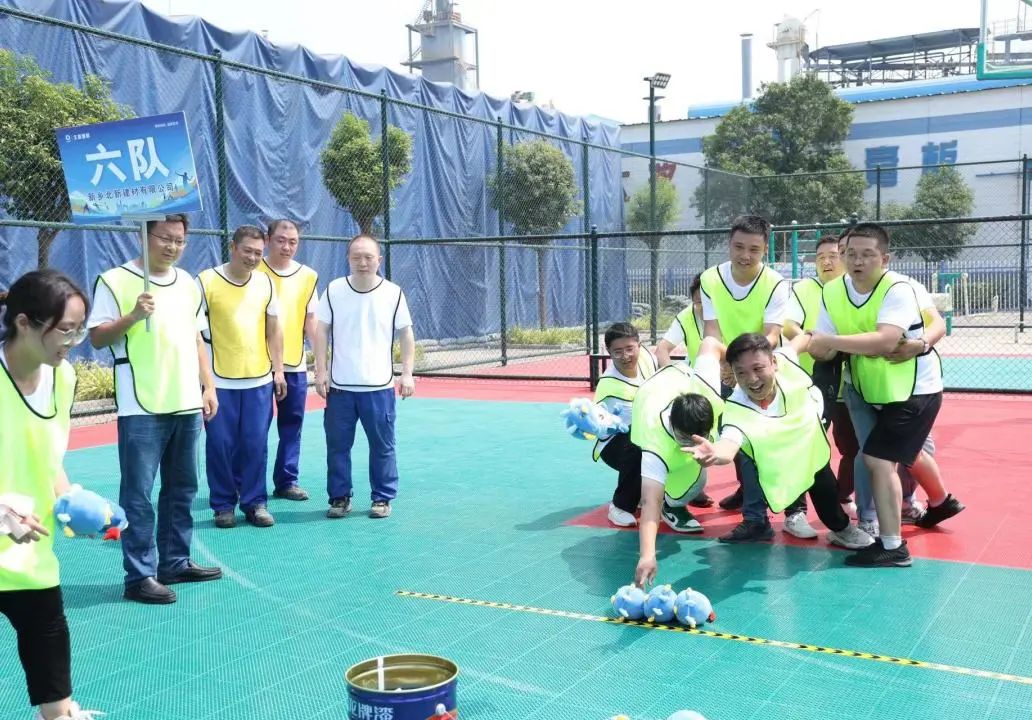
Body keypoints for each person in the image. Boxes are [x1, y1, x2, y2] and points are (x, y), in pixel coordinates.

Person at [89, 214, 222, 604]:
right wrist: (133, 316)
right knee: (138, 493)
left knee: (182, 487)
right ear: (143, 235)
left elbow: (196, 338)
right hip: (141, 404)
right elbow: (97, 338)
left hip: (185, 401)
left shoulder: (188, 283)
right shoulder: (114, 281)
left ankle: (175, 562)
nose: (173, 247)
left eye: (180, 240)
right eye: (166, 238)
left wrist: (208, 385)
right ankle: (139, 575)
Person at [809, 223, 951, 567]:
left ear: (884, 259)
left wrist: (831, 342)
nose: (857, 261)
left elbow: (887, 340)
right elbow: (820, 347)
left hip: (915, 391)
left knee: (880, 459)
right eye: (850, 254)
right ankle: (906, 528)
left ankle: (894, 540)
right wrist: (818, 345)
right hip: (869, 390)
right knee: (879, 459)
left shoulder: (899, 289)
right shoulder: (833, 292)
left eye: (867, 254)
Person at [1, 271, 100, 720]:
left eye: (79, 330)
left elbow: (47, 454)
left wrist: (70, 499)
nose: (74, 343)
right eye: (65, 330)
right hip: (9, 528)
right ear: (24, 323)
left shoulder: (64, 379)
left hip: (30, 551)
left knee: (49, 651)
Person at [685, 333, 873, 553]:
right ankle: (783, 516)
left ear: (773, 362)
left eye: (757, 369)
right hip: (778, 455)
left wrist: (821, 340)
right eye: (741, 373)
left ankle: (841, 529)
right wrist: (715, 454)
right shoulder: (736, 410)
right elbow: (729, 443)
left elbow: (802, 340)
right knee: (770, 477)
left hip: (808, 439)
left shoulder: (785, 362)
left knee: (825, 489)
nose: (752, 379)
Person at [698, 215, 811, 536]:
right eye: (738, 247)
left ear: (765, 249)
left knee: (782, 441)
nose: (745, 255)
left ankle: (795, 511)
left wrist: (748, 368)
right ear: (728, 244)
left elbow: (772, 334)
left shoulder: (775, 282)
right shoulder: (710, 279)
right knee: (740, 441)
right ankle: (755, 517)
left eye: (754, 249)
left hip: (765, 369)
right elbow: (711, 330)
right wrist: (728, 367)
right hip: (729, 367)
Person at [314, 234, 415, 519]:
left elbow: (406, 333)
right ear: (348, 258)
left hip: (379, 387)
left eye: (368, 257)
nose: (362, 262)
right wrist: (320, 370)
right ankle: (339, 498)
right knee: (337, 446)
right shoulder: (334, 290)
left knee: (382, 446)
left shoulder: (393, 293)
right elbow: (321, 331)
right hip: (340, 388)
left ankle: (382, 498)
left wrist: (407, 373)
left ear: (378, 260)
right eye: (356, 257)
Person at [198, 225, 286, 529]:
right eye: (247, 250)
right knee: (220, 444)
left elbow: (274, 330)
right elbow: (194, 335)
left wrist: (278, 370)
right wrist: (205, 382)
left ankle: (255, 503)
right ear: (233, 247)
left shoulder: (265, 282)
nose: (252, 257)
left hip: (258, 380)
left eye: (258, 253)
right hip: (219, 381)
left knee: (255, 443)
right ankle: (223, 505)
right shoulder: (206, 281)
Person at [633, 337, 726, 587]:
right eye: (685, 438)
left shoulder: (708, 391)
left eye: (700, 437)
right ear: (672, 425)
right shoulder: (653, 440)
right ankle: (671, 504)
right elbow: (650, 502)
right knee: (658, 487)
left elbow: (710, 343)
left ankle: (675, 497)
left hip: (679, 375)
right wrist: (647, 555)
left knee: (697, 479)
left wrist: (735, 369)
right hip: (648, 394)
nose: (692, 443)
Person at [783, 232, 858, 516]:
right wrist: (813, 341)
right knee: (804, 445)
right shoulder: (804, 288)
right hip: (810, 384)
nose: (826, 262)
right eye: (820, 257)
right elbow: (788, 325)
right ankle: (796, 510)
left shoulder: (855, 288)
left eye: (833, 256)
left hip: (851, 384)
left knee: (852, 448)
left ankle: (842, 496)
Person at [258, 219, 319, 502]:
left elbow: (311, 320)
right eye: (281, 240)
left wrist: (321, 362)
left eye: (292, 242)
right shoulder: (253, 270)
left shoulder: (308, 276)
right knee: (254, 430)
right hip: (256, 367)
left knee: (292, 425)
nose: (286, 246)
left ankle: (286, 480)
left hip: (294, 365)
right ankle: (247, 484)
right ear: (268, 240)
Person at [653, 274, 715, 508]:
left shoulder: (729, 313)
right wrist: (673, 377)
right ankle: (690, 487)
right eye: (698, 301)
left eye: (707, 302)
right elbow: (662, 349)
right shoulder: (686, 316)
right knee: (690, 435)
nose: (702, 307)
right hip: (697, 386)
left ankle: (746, 492)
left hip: (729, 381)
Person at [592, 323, 657, 528]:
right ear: (609, 352)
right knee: (639, 446)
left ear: (639, 345)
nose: (625, 356)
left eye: (630, 348)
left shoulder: (647, 358)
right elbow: (598, 422)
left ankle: (673, 498)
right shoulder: (608, 385)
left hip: (648, 431)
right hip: (617, 444)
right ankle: (620, 506)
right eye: (617, 351)